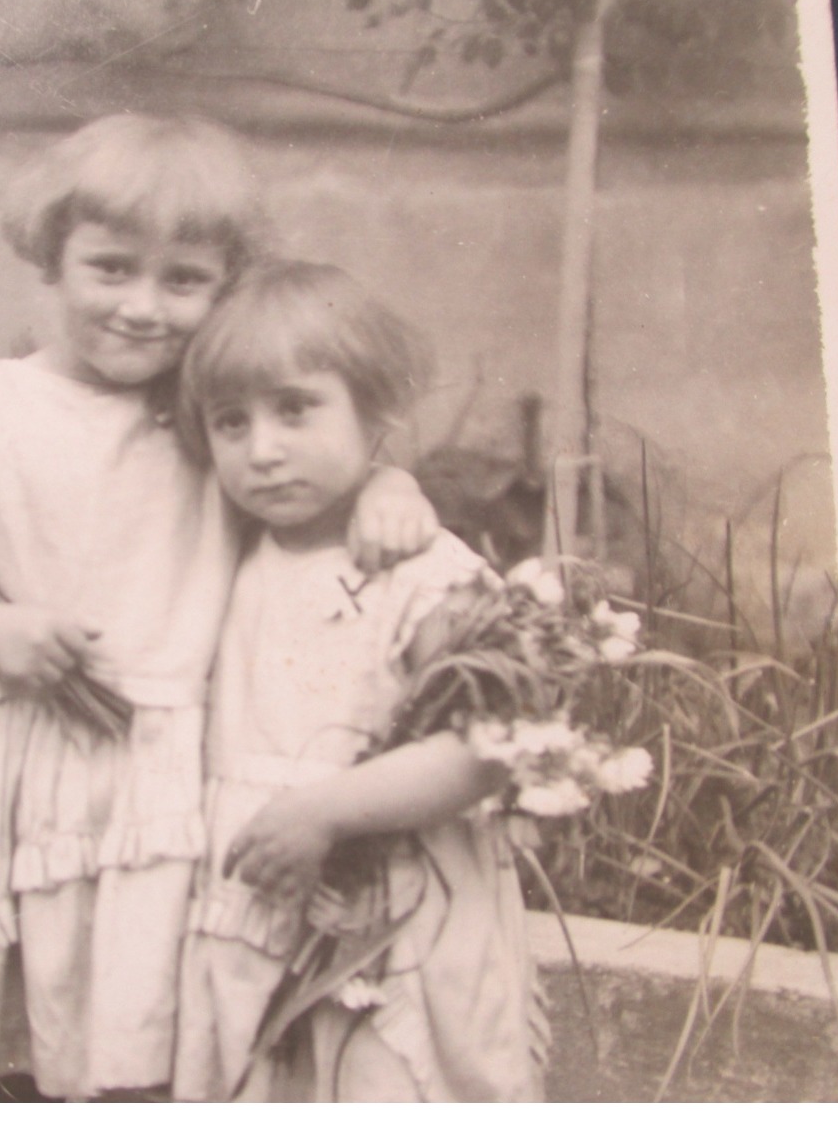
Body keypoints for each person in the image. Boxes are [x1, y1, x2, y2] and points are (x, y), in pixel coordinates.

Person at [0, 115, 437, 1101]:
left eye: (183, 281)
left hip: (148, 780)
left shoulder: (208, 416)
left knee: (126, 1033)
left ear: (222, 287)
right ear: (51, 262)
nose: (142, 308)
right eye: (109, 269)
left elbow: (313, 466)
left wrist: (386, 488)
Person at [173, 260, 548, 1102]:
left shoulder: (420, 571)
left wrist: (327, 810)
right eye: (231, 423)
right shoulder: (233, 549)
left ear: (376, 415)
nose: (262, 450)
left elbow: (489, 746)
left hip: (387, 915)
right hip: (258, 905)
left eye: (296, 410)